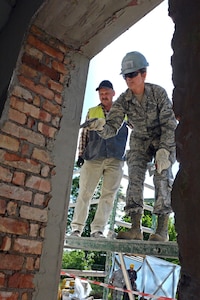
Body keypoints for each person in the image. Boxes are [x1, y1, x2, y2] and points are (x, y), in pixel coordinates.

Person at [83, 51, 177, 242]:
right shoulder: (123, 100)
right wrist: (101, 125)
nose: (128, 79)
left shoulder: (158, 93)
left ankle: (161, 230)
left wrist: (165, 151)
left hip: (162, 139)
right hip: (140, 139)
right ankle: (135, 228)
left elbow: (169, 124)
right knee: (134, 176)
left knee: (162, 176)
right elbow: (112, 128)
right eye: (126, 76)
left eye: (132, 74)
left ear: (144, 74)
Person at [70, 80, 128, 238]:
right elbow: (85, 134)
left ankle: (98, 230)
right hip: (93, 156)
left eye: (106, 93)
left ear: (113, 93)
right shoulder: (92, 111)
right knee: (84, 193)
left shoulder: (124, 111)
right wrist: (80, 154)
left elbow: (137, 128)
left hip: (116, 158)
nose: (103, 95)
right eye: (101, 93)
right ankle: (76, 228)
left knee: (108, 196)